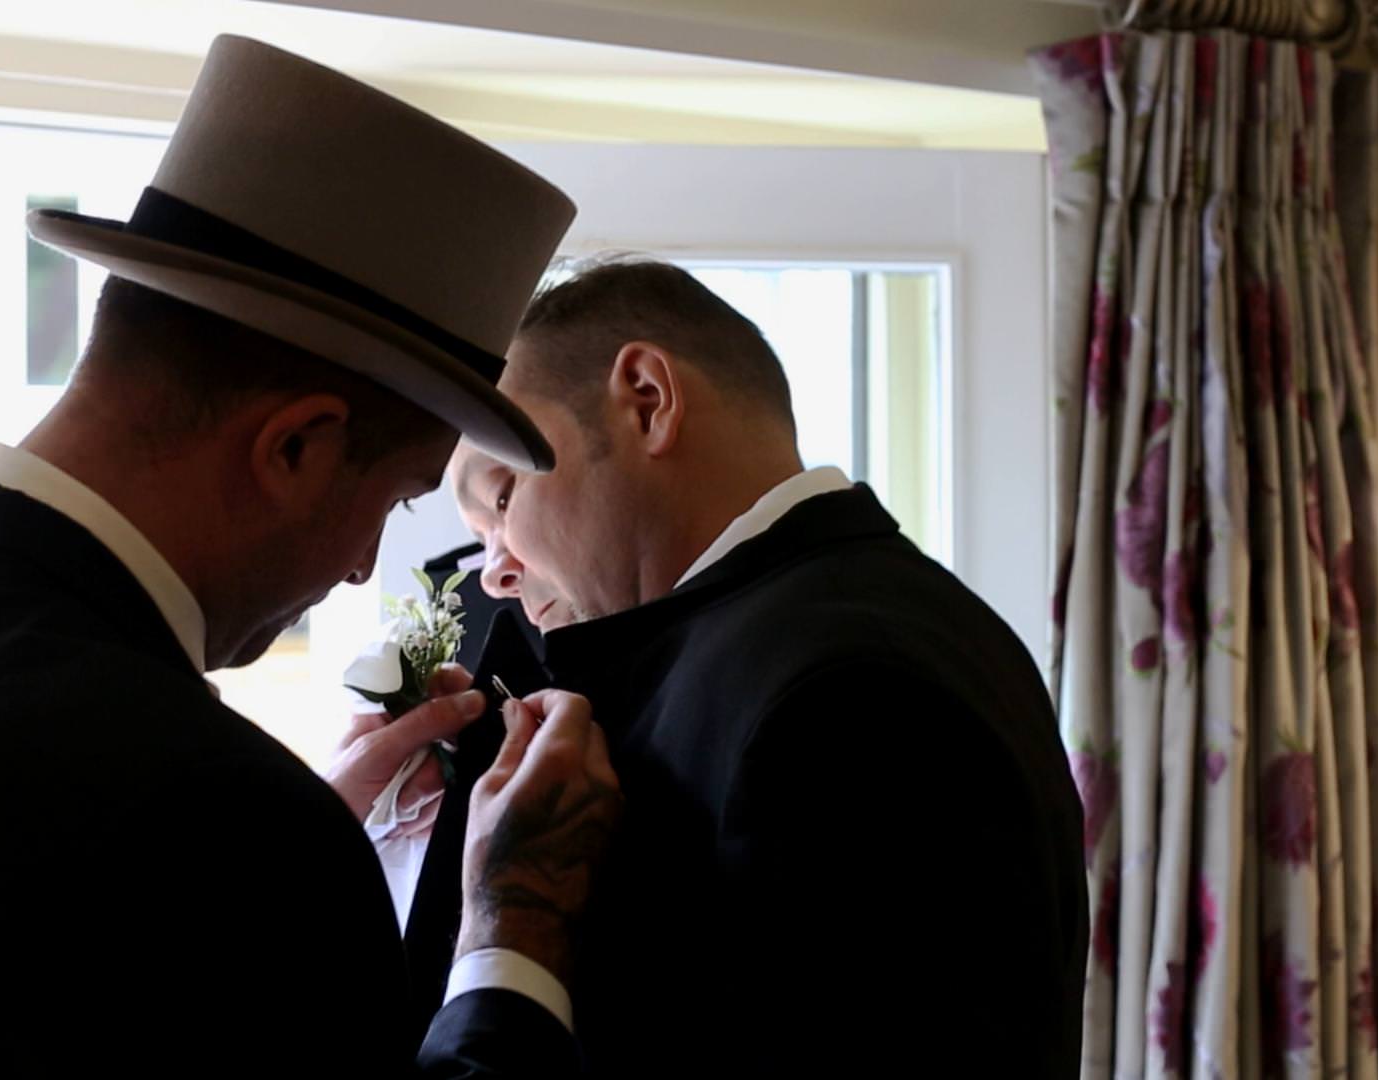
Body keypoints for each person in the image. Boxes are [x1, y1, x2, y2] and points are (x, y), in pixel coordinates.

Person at [0, 35, 620, 1078]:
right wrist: (515, 927)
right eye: (391, 499)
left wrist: (275, 863)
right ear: (296, 445)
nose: (360, 567)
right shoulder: (209, 822)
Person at [423, 257, 1089, 1075]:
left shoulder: (851, 695)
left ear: (647, 400)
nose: (492, 570)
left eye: (498, 498)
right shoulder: (784, 633)